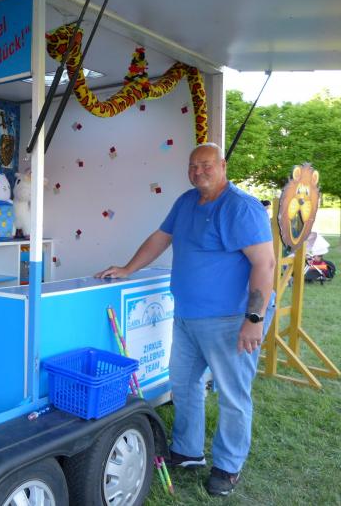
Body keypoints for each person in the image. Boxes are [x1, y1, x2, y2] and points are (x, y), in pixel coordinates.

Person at [96, 142, 275, 497]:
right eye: (193, 166)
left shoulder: (241, 208)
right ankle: (188, 450)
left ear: (222, 165)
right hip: (187, 317)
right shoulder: (185, 202)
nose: (198, 171)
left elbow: (265, 263)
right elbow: (160, 238)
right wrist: (128, 268)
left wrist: (254, 319)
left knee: (232, 395)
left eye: (206, 165)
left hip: (230, 320)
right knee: (183, 384)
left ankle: (228, 466)